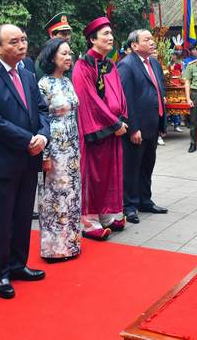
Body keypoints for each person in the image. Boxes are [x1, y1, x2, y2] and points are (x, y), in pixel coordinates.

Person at [0, 24, 50, 299]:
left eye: (24, 40)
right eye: (14, 41)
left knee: (21, 218)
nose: (22, 45)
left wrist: (42, 136)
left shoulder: (28, 75)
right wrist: (28, 140)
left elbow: (41, 109)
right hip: (0, 162)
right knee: (0, 221)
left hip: (28, 160)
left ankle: (18, 265)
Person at [73, 17, 128, 241]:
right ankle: (89, 219)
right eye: (105, 34)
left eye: (110, 34)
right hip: (96, 131)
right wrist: (113, 124)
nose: (110, 37)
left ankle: (106, 215)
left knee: (109, 173)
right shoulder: (82, 66)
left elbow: (120, 94)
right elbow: (88, 100)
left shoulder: (111, 64)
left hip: (114, 128)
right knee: (93, 175)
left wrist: (122, 119)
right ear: (92, 40)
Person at [36, 38, 82, 262]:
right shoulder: (43, 85)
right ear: (52, 57)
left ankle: (71, 244)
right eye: (63, 53)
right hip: (54, 146)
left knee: (71, 195)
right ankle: (54, 248)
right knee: (55, 198)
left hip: (71, 145)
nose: (68, 57)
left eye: (69, 53)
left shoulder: (67, 82)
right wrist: (44, 155)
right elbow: (40, 120)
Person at [117, 29, 168, 225]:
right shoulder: (126, 65)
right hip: (137, 127)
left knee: (148, 164)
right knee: (131, 167)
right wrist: (133, 128)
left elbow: (159, 92)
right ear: (134, 45)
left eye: (151, 39)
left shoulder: (154, 63)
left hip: (153, 125)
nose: (152, 42)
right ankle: (129, 206)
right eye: (146, 40)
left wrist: (162, 123)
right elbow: (126, 100)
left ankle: (145, 200)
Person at [35, 13, 74, 81]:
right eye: (63, 34)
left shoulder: (72, 56)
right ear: (52, 36)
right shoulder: (44, 58)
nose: (67, 37)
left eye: (68, 34)